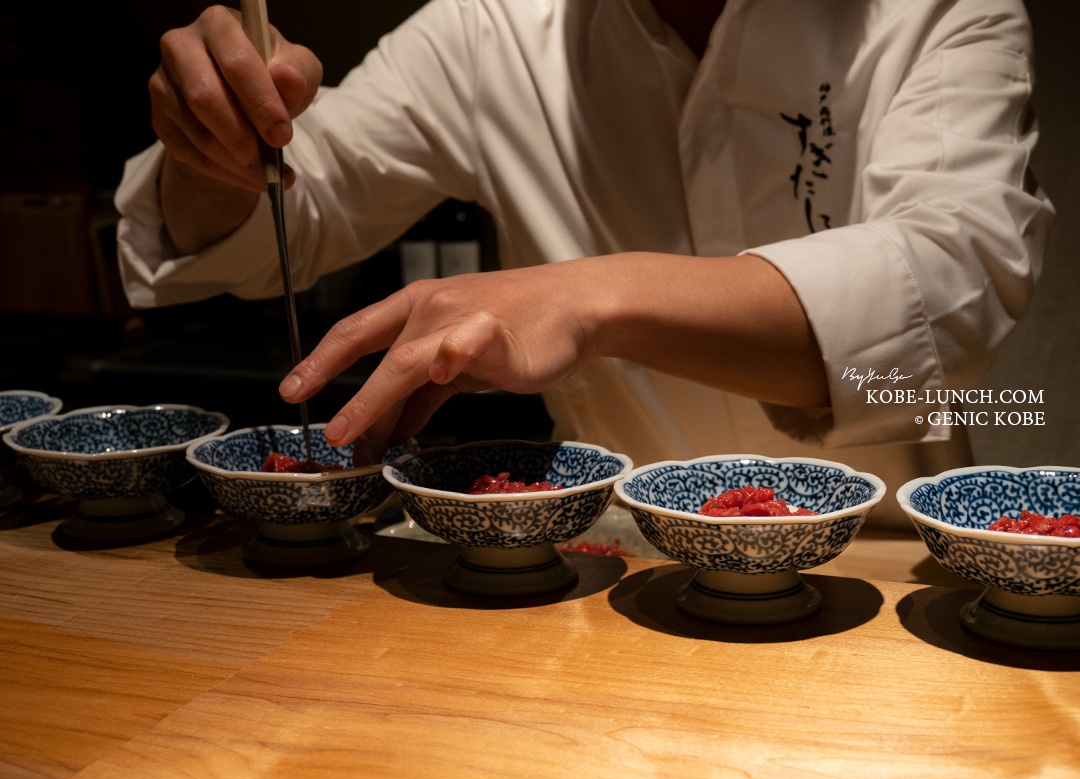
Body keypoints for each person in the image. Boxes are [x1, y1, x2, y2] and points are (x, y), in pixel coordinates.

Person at [115, 0, 1053, 527]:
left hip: (880, 565)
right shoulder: (487, 29)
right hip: (606, 567)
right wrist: (212, 144)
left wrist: (585, 294)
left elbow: (951, 281)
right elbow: (286, 212)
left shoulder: (940, 11)